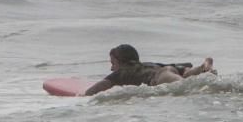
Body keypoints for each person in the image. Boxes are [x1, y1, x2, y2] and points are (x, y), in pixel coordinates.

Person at [84, 44, 214, 96]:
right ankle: (202, 68)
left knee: (186, 87)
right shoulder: (148, 64)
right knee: (186, 75)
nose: (112, 68)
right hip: (167, 69)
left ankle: (202, 71)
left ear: (122, 62)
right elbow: (185, 66)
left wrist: (80, 96)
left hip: (159, 79)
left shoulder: (120, 73)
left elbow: (92, 91)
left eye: (113, 63)